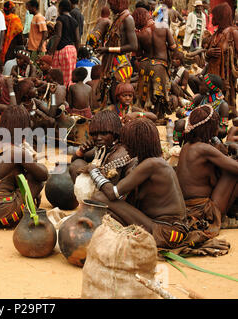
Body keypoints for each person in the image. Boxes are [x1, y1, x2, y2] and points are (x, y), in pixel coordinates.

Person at [85, 118, 189, 250]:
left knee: (99, 198)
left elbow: (113, 193)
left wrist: (93, 171)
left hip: (167, 232)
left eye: (128, 144)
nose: (126, 148)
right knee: (107, 207)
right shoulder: (150, 162)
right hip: (165, 227)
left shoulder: (151, 164)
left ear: (138, 144)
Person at [177, 105, 238, 239]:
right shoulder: (204, 149)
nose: (218, 128)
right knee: (232, 173)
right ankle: (222, 217)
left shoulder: (187, 146)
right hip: (203, 211)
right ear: (209, 127)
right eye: (216, 125)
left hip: (189, 207)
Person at [69, 109, 136, 186]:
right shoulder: (105, 147)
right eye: (94, 134)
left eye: (104, 133)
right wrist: (82, 151)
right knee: (77, 164)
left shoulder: (119, 153)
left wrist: (92, 170)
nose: (98, 138)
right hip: (103, 191)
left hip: (113, 193)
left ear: (115, 132)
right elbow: (74, 161)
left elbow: (109, 188)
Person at [133, 7, 176, 121]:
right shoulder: (163, 26)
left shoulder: (139, 33)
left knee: (144, 94)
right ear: (148, 15)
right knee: (159, 94)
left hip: (144, 65)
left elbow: (138, 55)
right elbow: (173, 47)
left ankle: (145, 115)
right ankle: (158, 117)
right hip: (159, 65)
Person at [95, 0, 138, 107]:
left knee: (119, 96)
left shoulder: (128, 19)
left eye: (112, 4)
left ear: (119, 3)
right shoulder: (119, 18)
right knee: (112, 94)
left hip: (121, 65)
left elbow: (133, 46)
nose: (110, 8)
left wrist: (108, 49)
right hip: (114, 63)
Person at [205, 2, 238, 118]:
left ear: (220, 16)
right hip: (212, 77)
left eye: (213, 16)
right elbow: (206, 55)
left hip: (226, 78)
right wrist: (208, 53)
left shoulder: (233, 33)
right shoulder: (215, 34)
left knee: (227, 109)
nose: (211, 19)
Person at [175, 74, 230, 141]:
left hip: (210, 137)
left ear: (208, 90)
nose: (199, 86)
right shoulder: (200, 98)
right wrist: (192, 115)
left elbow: (224, 131)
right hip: (195, 131)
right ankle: (178, 146)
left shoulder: (223, 106)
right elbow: (179, 112)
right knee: (179, 124)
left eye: (202, 85)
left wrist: (208, 124)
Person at [48, 0, 80, 87]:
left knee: (58, 77)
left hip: (62, 50)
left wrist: (51, 52)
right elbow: (77, 39)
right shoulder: (75, 22)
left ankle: (58, 95)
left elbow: (58, 36)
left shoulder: (60, 19)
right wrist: (76, 53)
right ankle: (67, 95)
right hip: (72, 50)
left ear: (61, 8)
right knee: (69, 77)